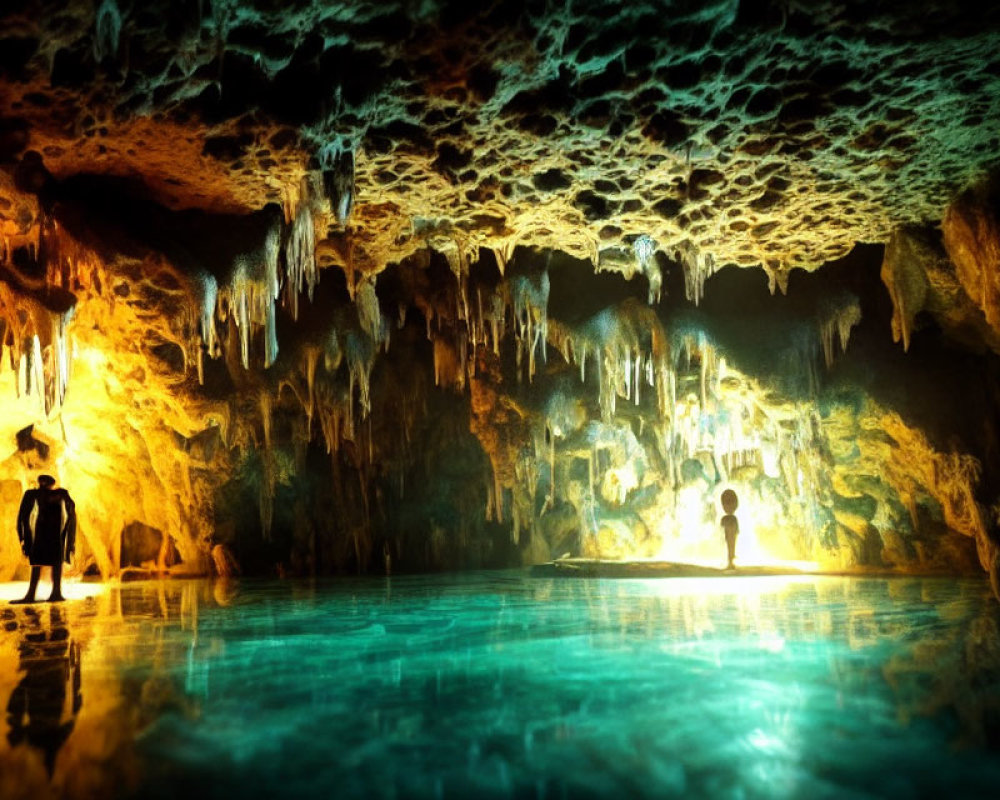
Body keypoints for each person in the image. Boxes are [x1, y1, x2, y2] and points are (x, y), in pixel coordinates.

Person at [12, 475, 76, 604]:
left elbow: (71, 512)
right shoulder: (34, 494)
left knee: (53, 560)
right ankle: (35, 593)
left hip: (52, 531)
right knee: (40, 560)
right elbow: (23, 517)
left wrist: (70, 541)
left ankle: (54, 592)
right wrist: (24, 538)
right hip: (44, 531)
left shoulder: (59, 494)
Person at [720, 488, 739, 570]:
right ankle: (731, 561)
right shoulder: (732, 518)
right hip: (731, 534)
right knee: (731, 544)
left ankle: (730, 561)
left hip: (729, 534)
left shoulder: (726, 518)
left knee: (730, 545)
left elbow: (722, 526)